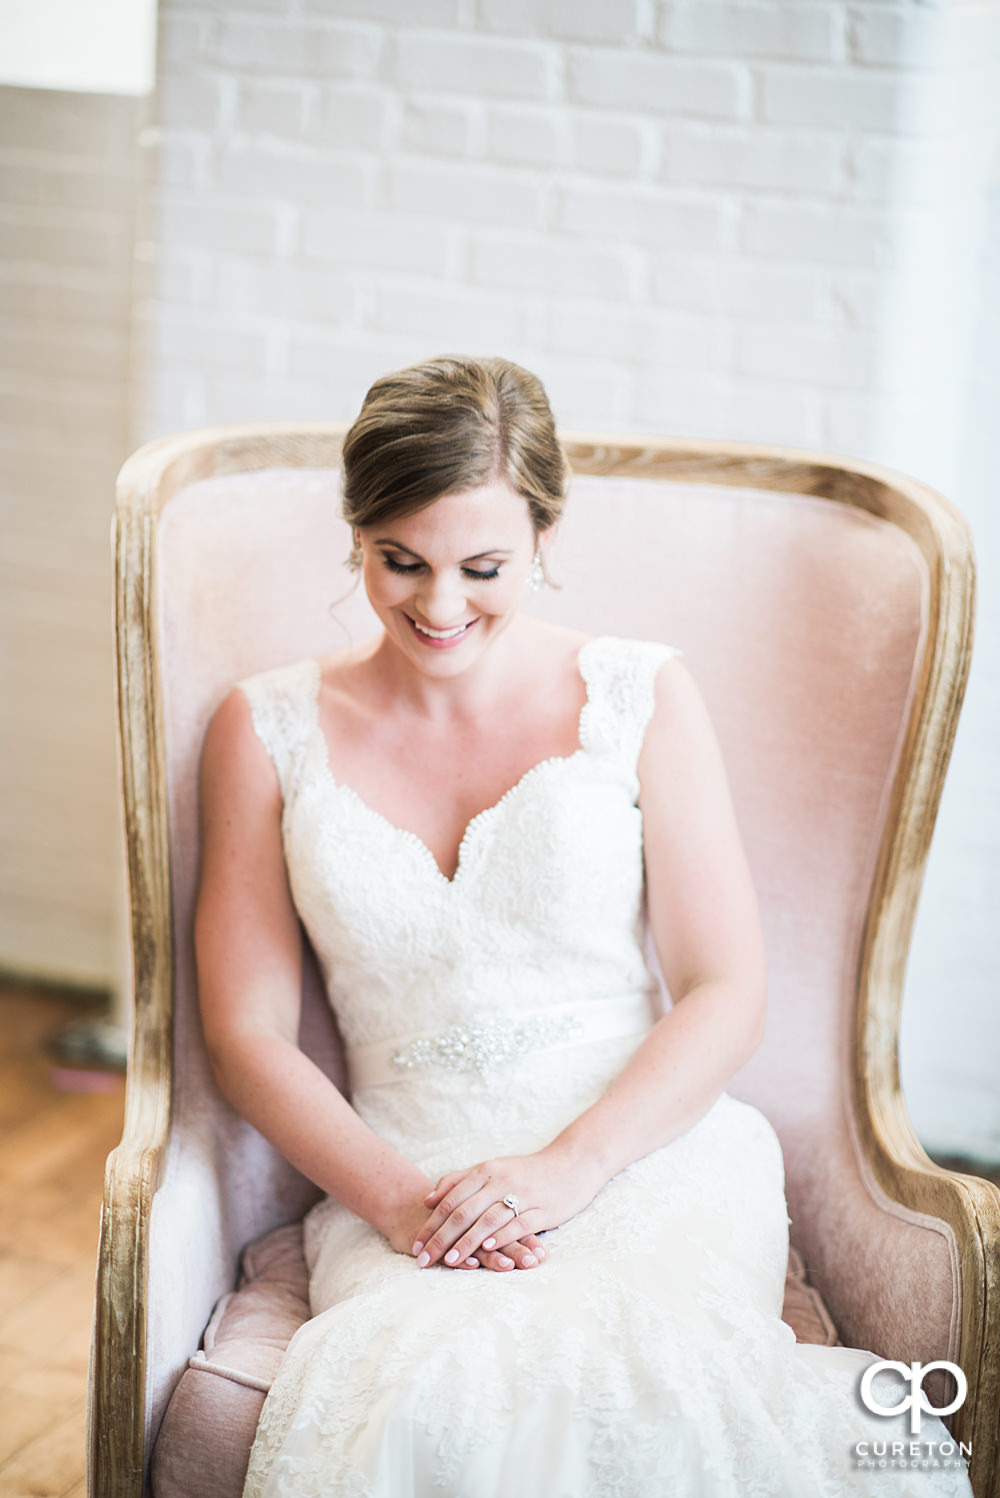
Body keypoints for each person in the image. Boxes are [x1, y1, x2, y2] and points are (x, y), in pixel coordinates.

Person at [194, 355, 973, 1498]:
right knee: (436, 1388)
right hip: (407, 1169)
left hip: (642, 1145)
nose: (440, 606)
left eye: (483, 567)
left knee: (654, 1378)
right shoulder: (261, 728)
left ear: (545, 533)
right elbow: (249, 1031)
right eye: (398, 561)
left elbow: (722, 988)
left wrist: (571, 1167)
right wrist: (400, 1198)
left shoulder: (640, 696)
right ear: (354, 533)